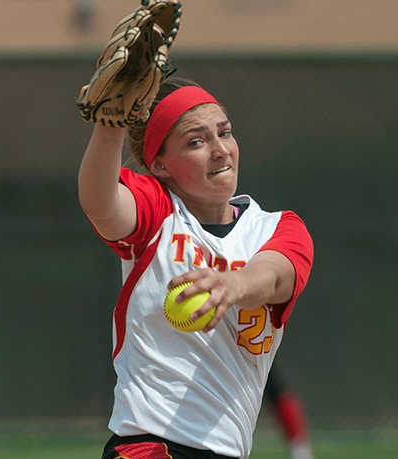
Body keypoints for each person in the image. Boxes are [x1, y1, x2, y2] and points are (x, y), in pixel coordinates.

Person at [78, 77, 314, 459]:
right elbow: (101, 204)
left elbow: (274, 275)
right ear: (160, 163)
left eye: (225, 132)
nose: (220, 150)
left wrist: (233, 285)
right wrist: (110, 125)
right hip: (149, 446)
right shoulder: (158, 213)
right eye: (196, 141)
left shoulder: (278, 228)